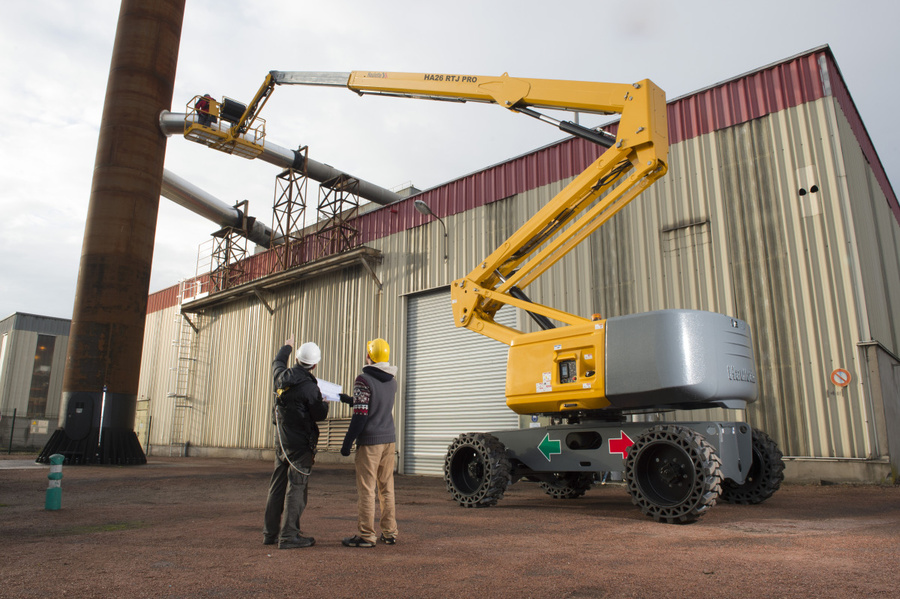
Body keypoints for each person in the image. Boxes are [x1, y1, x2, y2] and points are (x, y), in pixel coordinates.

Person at [263, 336, 328, 549]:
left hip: (282, 441)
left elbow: (277, 361)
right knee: (297, 487)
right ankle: (289, 534)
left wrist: (287, 346)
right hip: (300, 446)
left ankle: (270, 533)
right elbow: (319, 414)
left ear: (298, 358)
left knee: (277, 484)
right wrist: (324, 402)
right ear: (314, 364)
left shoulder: (281, 376)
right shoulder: (311, 388)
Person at [339, 338, 399, 548]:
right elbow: (377, 404)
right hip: (388, 440)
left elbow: (361, 416)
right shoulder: (392, 380)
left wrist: (347, 443)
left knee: (366, 489)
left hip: (370, 442)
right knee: (386, 488)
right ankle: (390, 532)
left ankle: (366, 535)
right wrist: (351, 399)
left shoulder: (363, 380)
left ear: (369, 356)